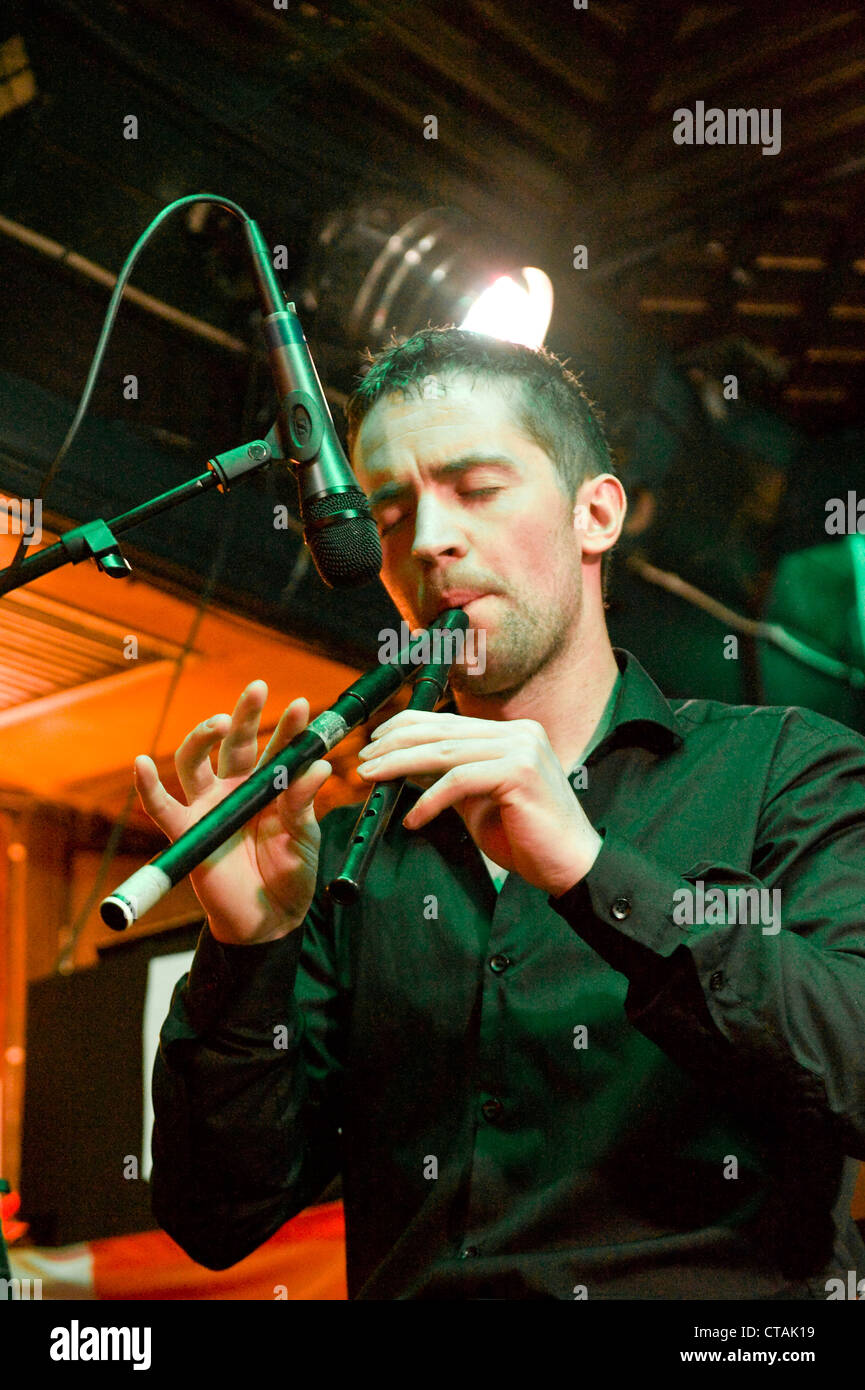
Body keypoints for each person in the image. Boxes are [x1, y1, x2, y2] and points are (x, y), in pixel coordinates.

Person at [138, 328, 865, 1300]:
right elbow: (214, 1217)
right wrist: (246, 952)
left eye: (475, 489)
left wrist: (587, 869)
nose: (427, 539)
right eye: (390, 512)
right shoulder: (359, 853)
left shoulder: (785, 766)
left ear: (594, 513)